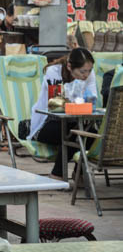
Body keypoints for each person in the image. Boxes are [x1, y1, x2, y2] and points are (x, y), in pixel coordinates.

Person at [29, 48, 97, 181]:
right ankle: (57, 174)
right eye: (83, 71)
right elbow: (56, 104)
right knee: (74, 134)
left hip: (74, 122)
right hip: (45, 123)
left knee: (93, 136)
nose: (86, 75)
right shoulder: (54, 72)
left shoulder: (89, 74)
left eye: (89, 71)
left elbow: (92, 99)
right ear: (69, 66)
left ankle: (79, 174)